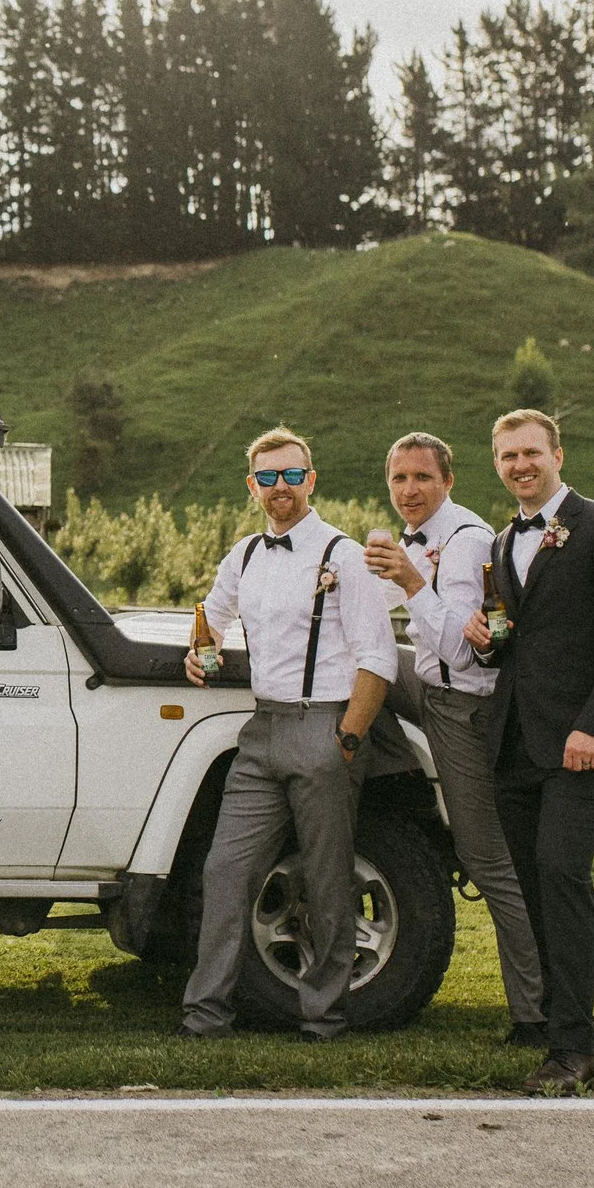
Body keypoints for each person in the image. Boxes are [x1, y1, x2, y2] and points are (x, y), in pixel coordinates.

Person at [177, 427, 396, 1040]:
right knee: (225, 870)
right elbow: (210, 620)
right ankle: (206, 1015)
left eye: (292, 475)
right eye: (268, 477)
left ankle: (323, 1016)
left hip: (325, 724)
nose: (281, 487)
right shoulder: (244, 555)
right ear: (253, 486)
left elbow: (377, 658)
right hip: (262, 730)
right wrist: (199, 654)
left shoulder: (342, 556)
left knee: (326, 878)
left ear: (311, 480)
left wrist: (346, 741)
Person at [462, 409, 594, 1095]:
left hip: (581, 743)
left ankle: (576, 1049)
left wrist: (593, 727)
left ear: (558, 455)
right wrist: (489, 639)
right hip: (514, 742)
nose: (521, 465)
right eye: (509, 456)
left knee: (561, 872)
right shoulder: (499, 541)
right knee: (534, 884)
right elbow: (523, 637)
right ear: (499, 465)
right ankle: (553, 1029)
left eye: (531, 453)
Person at [363, 431, 548, 1046]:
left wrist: (414, 583)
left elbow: (465, 654)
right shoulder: (419, 541)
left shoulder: (467, 544)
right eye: (399, 479)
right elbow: (373, 604)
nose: (409, 491)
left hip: (465, 708)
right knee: (364, 660)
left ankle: (534, 1011)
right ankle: (390, 774)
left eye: (421, 478)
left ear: (448, 482)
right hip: (431, 688)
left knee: (486, 858)